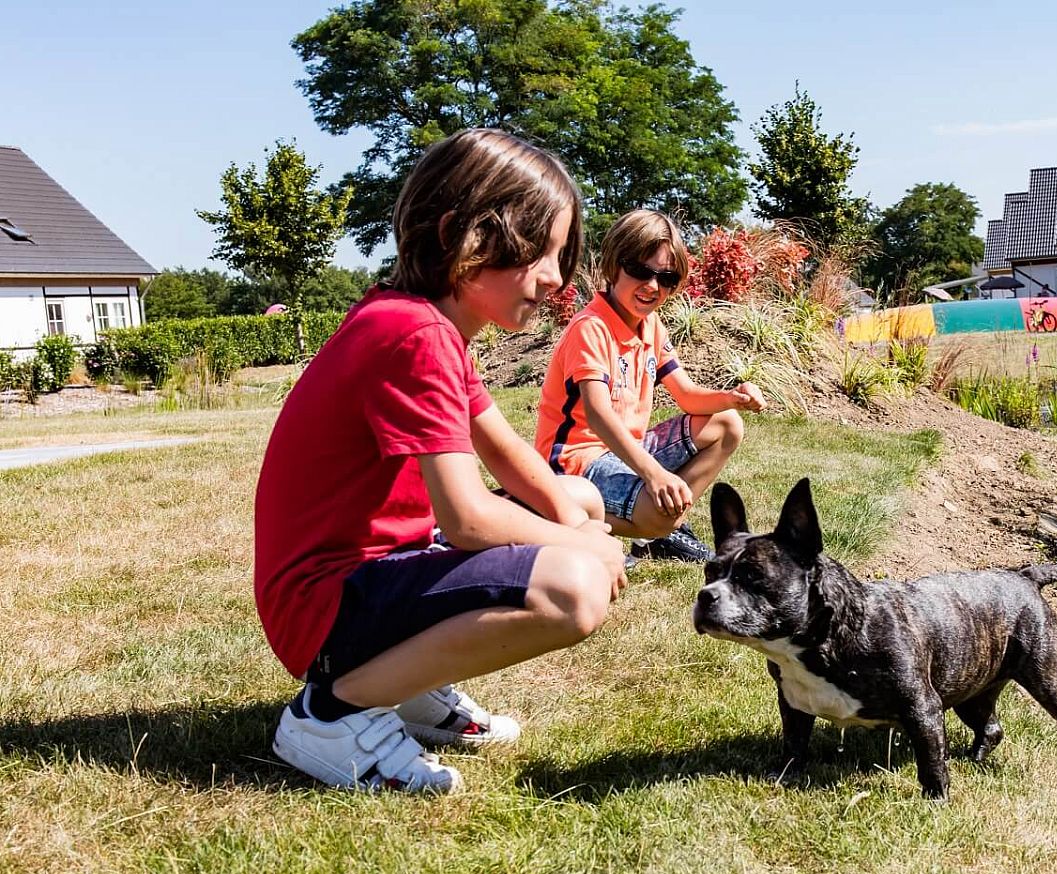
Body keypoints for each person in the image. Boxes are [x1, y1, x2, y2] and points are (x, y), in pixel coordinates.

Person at [254, 129, 627, 794]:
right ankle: (332, 713)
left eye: (560, 255)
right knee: (573, 588)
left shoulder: (422, 323)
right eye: (538, 250)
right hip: (323, 608)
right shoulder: (416, 334)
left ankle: (405, 686)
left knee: (579, 498)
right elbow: (467, 519)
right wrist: (583, 545)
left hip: (360, 579)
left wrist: (575, 516)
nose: (555, 278)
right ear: (461, 235)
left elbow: (507, 453)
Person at [535, 209, 767, 563]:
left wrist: (732, 398)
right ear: (614, 265)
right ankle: (567, 522)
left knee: (726, 424)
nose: (652, 286)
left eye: (666, 277)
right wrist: (655, 474)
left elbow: (687, 396)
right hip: (577, 464)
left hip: (624, 451)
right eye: (640, 271)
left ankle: (658, 533)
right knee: (660, 516)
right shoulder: (591, 328)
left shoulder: (651, 326)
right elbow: (598, 416)